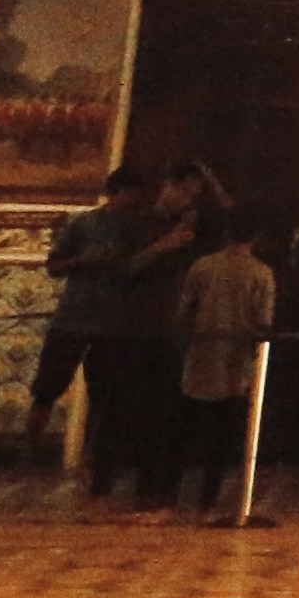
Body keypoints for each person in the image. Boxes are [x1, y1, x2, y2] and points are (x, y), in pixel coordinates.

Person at [80, 165, 210, 506]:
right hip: (126, 330)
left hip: (167, 333)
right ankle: (102, 478)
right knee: (116, 407)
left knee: (162, 412)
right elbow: (119, 270)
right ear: (169, 185)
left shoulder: (193, 235)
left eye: (194, 196)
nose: (186, 201)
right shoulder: (134, 224)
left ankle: (152, 485)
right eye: (184, 192)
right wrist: (162, 246)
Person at [32, 166, 163, 461]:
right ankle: (26, 454)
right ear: (112, 194)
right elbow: (54, 266)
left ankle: (96, 461)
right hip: (73, 319)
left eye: (136, 198)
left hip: (113, 326)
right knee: (47, 389)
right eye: (126, 196)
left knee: (104, 397)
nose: (131, 203)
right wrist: (82, 259)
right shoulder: (84, 225)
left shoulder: (138, 230)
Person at [168, 208, 287, 524]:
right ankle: (209, 499)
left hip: (199, 358)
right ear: (256, 237)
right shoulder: (261, 273)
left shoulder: (202, 266)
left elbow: (183, 312)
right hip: (236, 364)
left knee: (188, 429)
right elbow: (264, 321)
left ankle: (173, 496)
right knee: (223, 436)